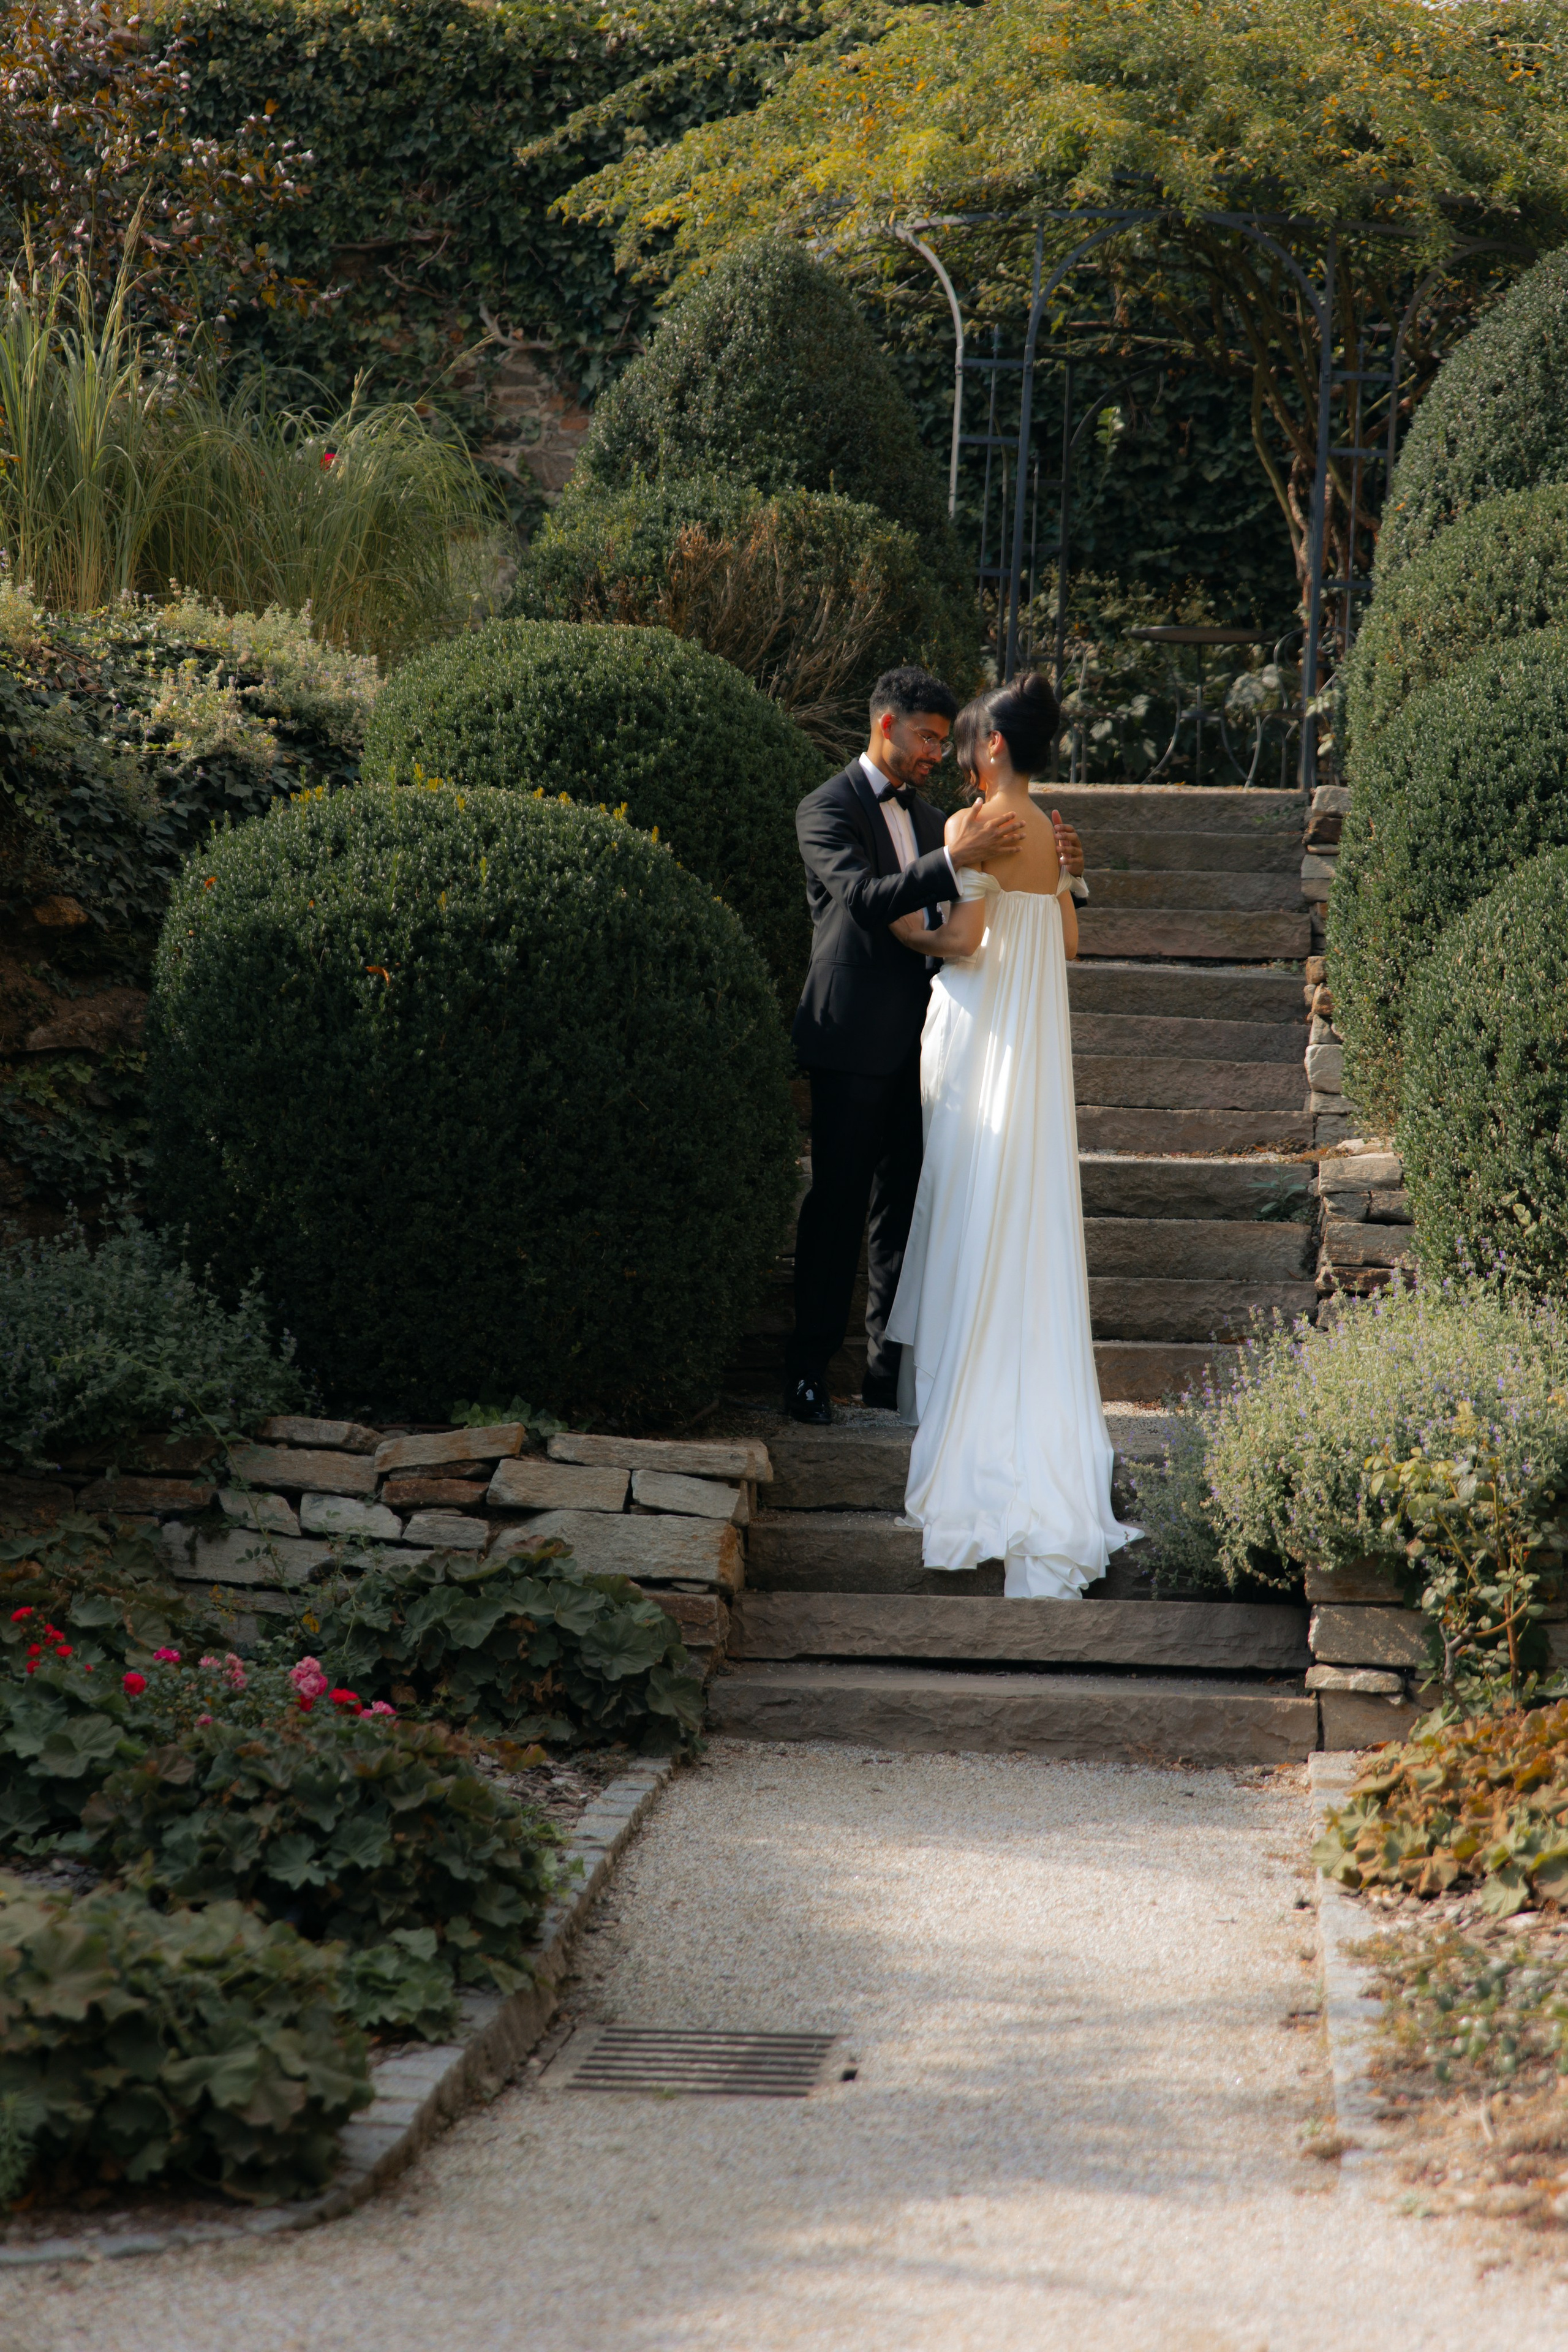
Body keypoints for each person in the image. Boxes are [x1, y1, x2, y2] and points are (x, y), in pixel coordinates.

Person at [884, 671, 1137, 1595]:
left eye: (967, 744)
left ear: (993, 746)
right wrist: (1065, 877)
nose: (958, 758)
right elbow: (1067, 943)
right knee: (1017, 1206)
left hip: (980, 1029)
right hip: (1033, 1044)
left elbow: (965, 939)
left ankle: (960, 1401)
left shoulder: (970, 828)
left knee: (964, 1198)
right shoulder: (1055, 831)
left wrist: (907, 927)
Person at [785, 666, 1084, 1426]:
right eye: (924, 738)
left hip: (934, 1048)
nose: (932, 754)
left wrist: (1060, 877)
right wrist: (958, 858)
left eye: (944, 741)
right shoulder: (824, 808)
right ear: (884, 724)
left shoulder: (942, 817)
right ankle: (808, 1373)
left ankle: (890, 1378)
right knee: (837, 1209)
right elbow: (861, 900)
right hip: (852, 1040)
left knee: (907, 1214)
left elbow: (981, 912)